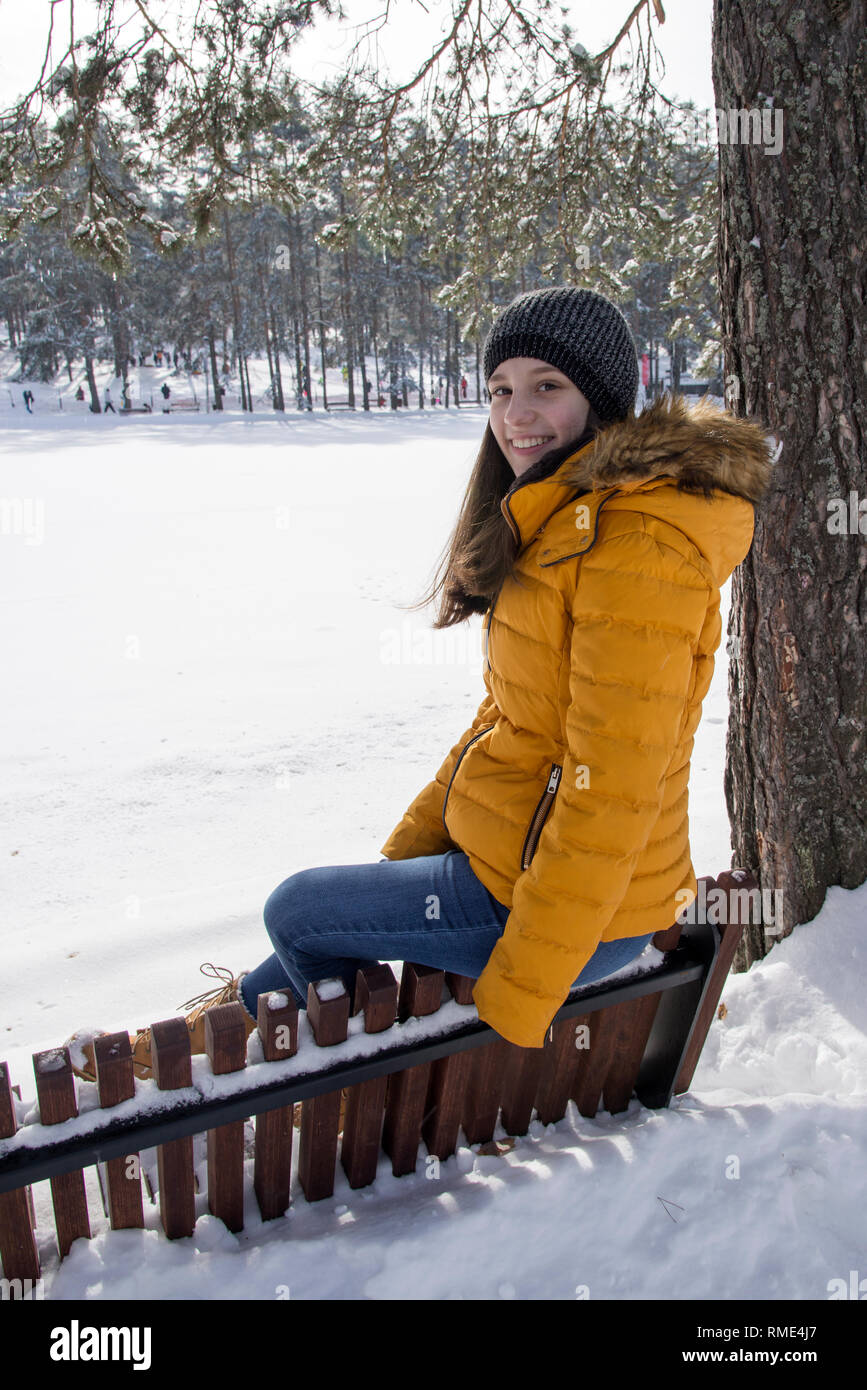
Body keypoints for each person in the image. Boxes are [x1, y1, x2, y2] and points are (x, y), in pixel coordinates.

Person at [67, 285, 772, 1081]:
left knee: (296, 910)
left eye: (547, 386)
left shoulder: (634, 542)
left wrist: (530, 977)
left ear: (602, 400)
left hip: (566, 906)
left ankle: (314, 1083)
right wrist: (408, 853)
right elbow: (504, 720)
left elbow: (616, 778)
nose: (516, 413)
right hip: (529, 871)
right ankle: (198, 1050)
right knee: (324, 919)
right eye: (501, 389)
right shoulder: (564, 521)